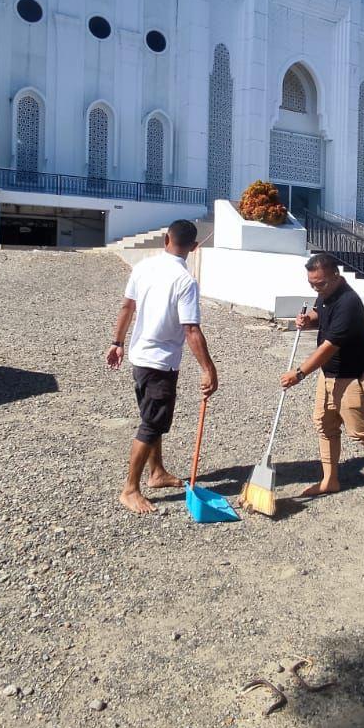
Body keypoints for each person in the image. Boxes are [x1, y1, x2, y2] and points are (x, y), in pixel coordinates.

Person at [107, 219, 219, 514]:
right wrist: (209, 368)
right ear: (194, 248)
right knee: (152, 423)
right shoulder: (185, 281)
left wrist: (116, 342)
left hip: (139, 357)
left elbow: (127, 307)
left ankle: (156, 472)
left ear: (165, 239)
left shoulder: (144, 266)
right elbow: (191, 329)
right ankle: (130, 489)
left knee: (151, 417)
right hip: (160, 362)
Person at [279, 253, 364, 501]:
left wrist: (299, 373)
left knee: (361, 430)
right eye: (311, 283)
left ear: (336, 276)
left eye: (319, 283)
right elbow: (320, 316)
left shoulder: (349, 302)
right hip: (329, 374)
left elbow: (329, 346)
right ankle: (329, 480)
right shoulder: (326, 293)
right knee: (325, 424)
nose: (315, 287)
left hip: (354, 376)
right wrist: (307, 320)